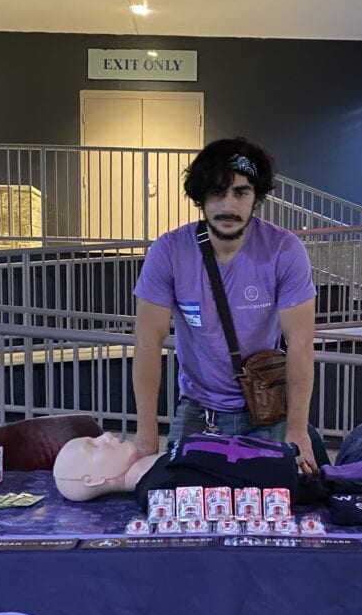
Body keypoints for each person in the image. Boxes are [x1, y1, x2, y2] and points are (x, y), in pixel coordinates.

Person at [133, 136, 319, 473]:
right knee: (178, 506)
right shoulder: (169, 251)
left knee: (270, 511)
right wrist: (146, 433)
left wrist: (297, 430)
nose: (228, 206)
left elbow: (301, 344)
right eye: (218, 192)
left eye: (241, 192)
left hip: (266, 410)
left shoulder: (284, 250)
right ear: (201, 197)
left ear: (256, 197)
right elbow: (148, 342)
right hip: (197, 409)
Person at [53, 431, 159, 501]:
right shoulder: (161, 482)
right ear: (92, 479)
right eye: (94, 446)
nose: (107, 435)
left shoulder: (157, 475)